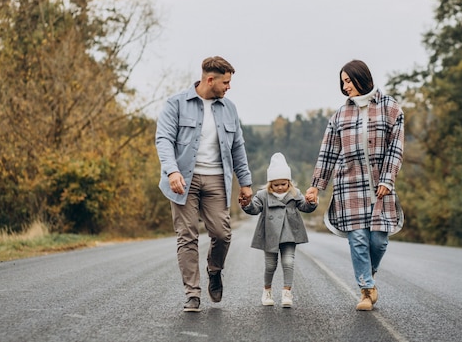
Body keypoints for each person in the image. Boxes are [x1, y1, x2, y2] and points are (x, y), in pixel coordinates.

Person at [155, 56, 253, 313]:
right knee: (187, 236)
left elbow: (238, 148)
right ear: (211, 79)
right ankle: (192, 294)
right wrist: (172, 171)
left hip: (217, 179)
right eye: (226, 82)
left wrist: (246, 183)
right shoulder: (176, 104)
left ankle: (214, 269)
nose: (229, 87)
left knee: (222, 234)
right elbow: (163, 139)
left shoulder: (229, 108)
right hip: (182, 180)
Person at [305, 59, 404, 311]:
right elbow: (327, 152)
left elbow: (396, 148)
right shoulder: (340, 115)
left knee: (378, 242)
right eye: (342, 82)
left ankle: (366, 275)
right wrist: (317, 185)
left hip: (381, 187)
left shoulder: (391, 108)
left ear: (362, 77)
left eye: (348, 81)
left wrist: (388, 179)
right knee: (358, 239)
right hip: (349, 186)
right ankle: (366, 290)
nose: (345, 86)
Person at [240, 152, 318, 308]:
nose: (280, 187)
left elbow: (304, 207)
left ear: (289, 182)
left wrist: (311, 203)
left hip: (290, 234)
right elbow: (255, 209)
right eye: (276, 185)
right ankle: (267, 290)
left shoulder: (295, 194)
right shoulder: (263, 195)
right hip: (270, 234)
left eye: (284, 184)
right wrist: (246, 204)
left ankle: (286, 292)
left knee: (288, 262)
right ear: (270, 184)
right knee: (270, 265)